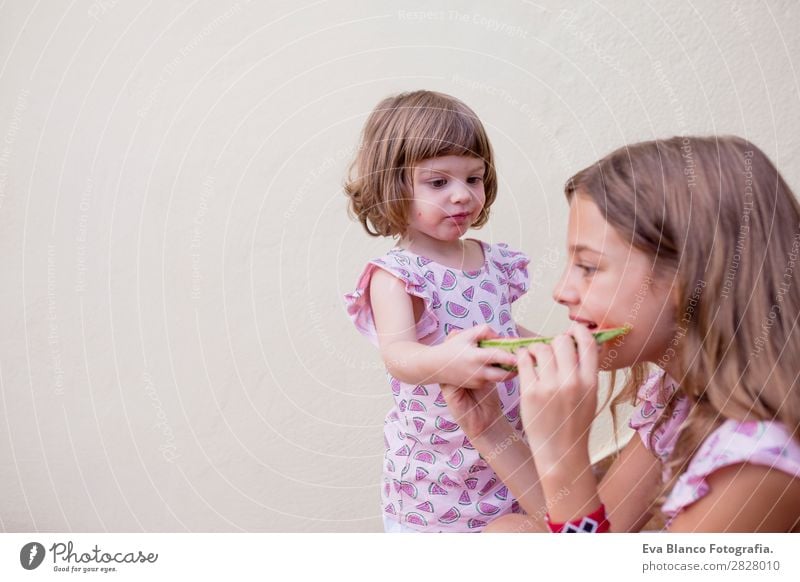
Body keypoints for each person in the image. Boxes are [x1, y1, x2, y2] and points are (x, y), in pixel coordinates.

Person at [442, 136, 800, 532]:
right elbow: (596, 525)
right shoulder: (679, 399)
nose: (562, 291)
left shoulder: (756, 462)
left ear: (689, 278)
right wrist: (490, 430)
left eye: (589, 267)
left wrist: (563, 452)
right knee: (510, 533)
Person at [344, 90, 542, 532]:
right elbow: (399, 356)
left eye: (474, 178)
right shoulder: (397, 275)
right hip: (437, 470)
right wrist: (447, 362)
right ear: (393, 185)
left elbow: (501, 329)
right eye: (439, 183)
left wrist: (541, 347)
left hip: (502, 447)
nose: (462, 196)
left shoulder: (491, 260)